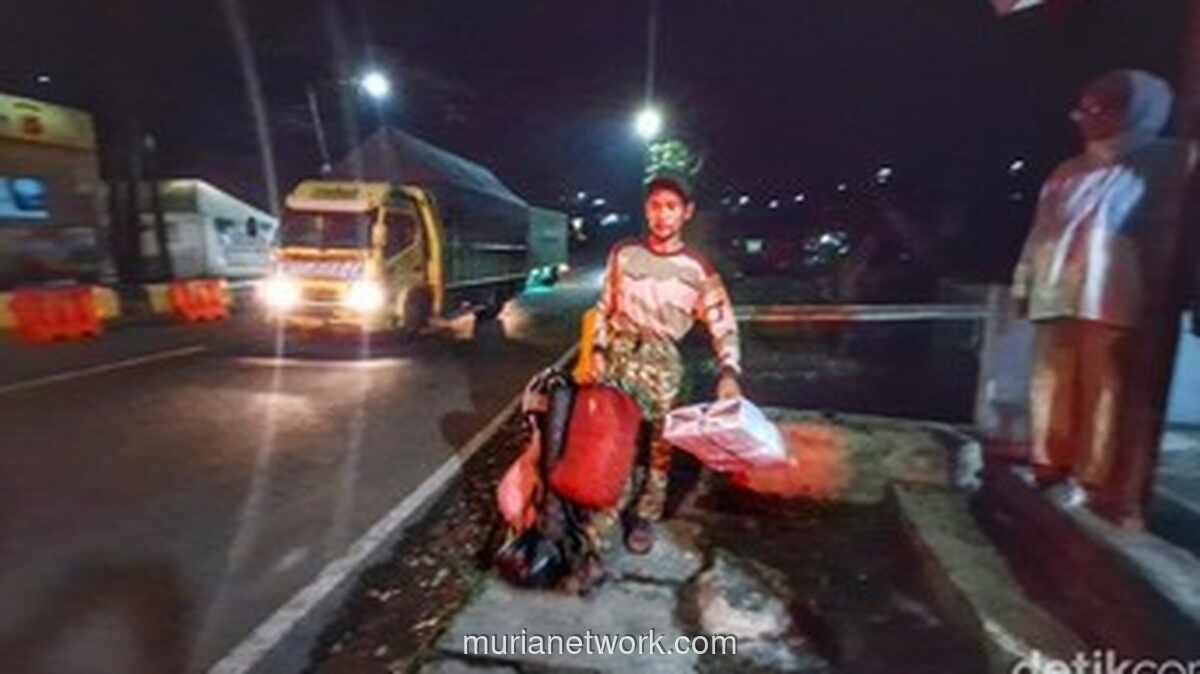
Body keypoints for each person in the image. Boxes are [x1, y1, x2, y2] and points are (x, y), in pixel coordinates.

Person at [1012, 69, 1197, 529]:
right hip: (1057, 293)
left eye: (1103, 108)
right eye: (1085, 108)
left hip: (1114, 298)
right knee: (1050, 384)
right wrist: (1024, 284)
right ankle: (1047, 463)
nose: (1088, 118)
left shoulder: (1164, 165)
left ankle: (1089, 477)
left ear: (1139, 110)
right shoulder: (1068, 172)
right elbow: (1040, 235)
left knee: (1104, 393)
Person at [587, 170, 743, 556]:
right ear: (646, 209)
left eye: (671, 207)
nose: (662, 215)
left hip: (664, 364)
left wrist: (729, 371)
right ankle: (603, 509)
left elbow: (723, 322)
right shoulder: (623, 253)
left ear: (686, 213)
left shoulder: (697, 269)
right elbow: (603, 307)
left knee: (659, 446)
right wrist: (597, 350)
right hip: (620, 357)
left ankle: (645, 515)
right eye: (655, 206)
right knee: (611, 439)